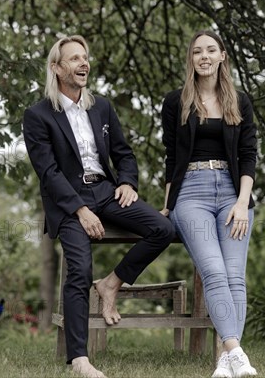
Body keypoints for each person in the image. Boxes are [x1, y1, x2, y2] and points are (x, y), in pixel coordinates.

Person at [23, 35, 175, 378]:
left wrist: (126, 182)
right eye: (75, 59)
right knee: (78, 270)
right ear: (56, 68)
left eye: (85, 58)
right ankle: (79, 359)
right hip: (68, 202)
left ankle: (111, 284)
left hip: (107, 192)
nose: (83, 64)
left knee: (163, 228)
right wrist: (79, 210)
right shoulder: (37, 116)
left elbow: (123, 153)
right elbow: (48, 173)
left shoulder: (101, 106)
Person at [160, 30, 258, 378]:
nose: (204, 56)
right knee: (214, 271)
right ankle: (236, 352)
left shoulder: (240, 101)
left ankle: (224, 361)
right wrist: (168, 205)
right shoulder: (176, 102)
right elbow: (172, 156)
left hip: (233, 194)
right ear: (191, 59)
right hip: (192, 194)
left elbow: (248, 157)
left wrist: (243, 203)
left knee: (235, 277)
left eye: (210, 50)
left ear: (222, 57)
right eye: (197, 51)